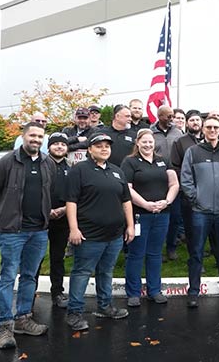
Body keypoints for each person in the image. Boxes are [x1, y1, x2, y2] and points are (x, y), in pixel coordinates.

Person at [0, 123, 56, 349]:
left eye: (39, 136)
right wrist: (5, 214)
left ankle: (23, 319)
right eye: (32, 135)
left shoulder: (48, 163)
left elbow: (50, 192)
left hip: (39, 231)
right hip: (12, 232)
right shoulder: (7, 162)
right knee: (7, 277)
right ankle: (5, 326)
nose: (36, 139)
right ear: (23, 137)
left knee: (29, 276)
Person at [65, 132, 134, 331]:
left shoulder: (117, 171)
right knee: (82, 272)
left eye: (107, 146)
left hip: (114, 235)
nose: (104, 149)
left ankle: (105, 306)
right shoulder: (79, 170)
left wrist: (129, 226)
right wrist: (74, 229)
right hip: (89, 235)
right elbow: (71, 201)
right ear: (89, 149)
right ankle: (74, 312)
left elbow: (126, 201)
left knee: (106, 271)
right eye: (99, 145)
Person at [180, 117, 219, 308]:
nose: (212, 130)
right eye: (209, 127)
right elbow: (186, 178)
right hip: (201, 211)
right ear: (203, 129)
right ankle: (193, 291)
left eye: (216, 127)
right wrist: (196, 198)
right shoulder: (193, 152)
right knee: (196, 253)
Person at [122, 129, 179, 307]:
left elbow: (174, 183)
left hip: (162, 214)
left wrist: (167, 201)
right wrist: (145, 204)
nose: (148, 145)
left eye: (150, 142)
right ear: (137, 143)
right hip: (140, 215)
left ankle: (155, 290)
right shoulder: (130, 162)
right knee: (136, 254)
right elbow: (127, 188)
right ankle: (133, 293)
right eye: (144, 142)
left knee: (155, 254)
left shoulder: (163, 161)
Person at [169, 110, 204, 260]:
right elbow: (175, 166)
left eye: (197, 120)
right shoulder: (180, 142)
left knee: (202, 225)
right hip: (186, 190)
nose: (195, 123)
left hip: (206, 190)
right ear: (187, 123)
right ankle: (190, 255)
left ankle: (200, 251)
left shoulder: (207, 140)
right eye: (192, 120)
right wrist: (187, 183)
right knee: (186, 223)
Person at [43, 132, 71, 308]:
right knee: (35, 258)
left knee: (57, 257)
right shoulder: (40, 165)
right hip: (40, 218)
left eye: (63, 144)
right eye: (56, 144)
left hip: (62, 218)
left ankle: (57, 292)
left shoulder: (72, 168)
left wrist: (63, 209)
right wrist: (47, 210)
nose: (59, 146)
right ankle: (29, 294)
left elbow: (77, 195)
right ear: (49, 147)